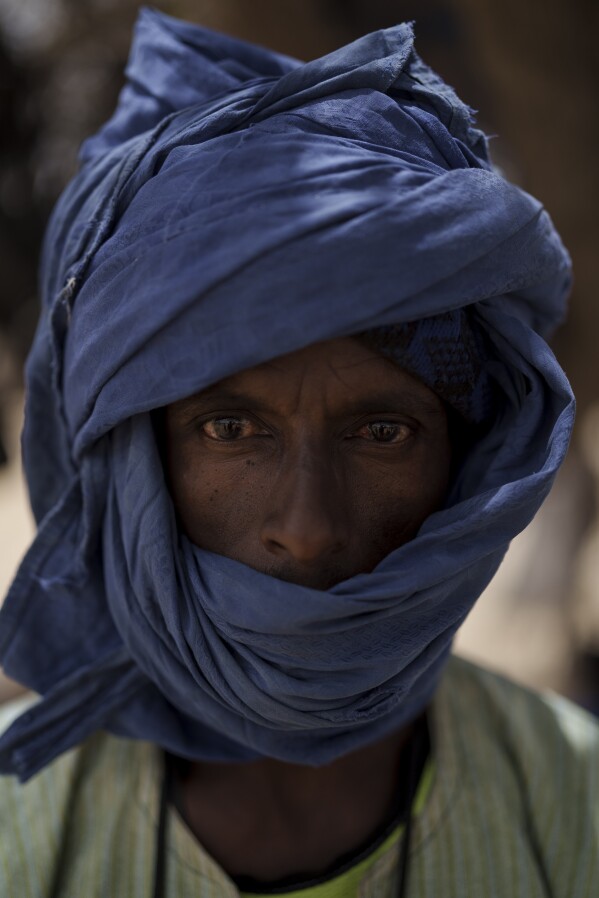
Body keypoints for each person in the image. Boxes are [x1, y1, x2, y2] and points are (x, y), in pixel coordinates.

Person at [0, 8, 597, 896]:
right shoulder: (22, 835)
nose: (307, 529)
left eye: (382, 433)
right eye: (231, 430)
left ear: (470, 466)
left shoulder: (572, 801)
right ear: (135, 467)